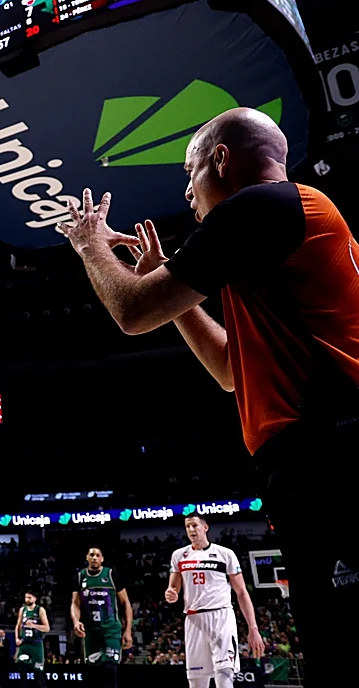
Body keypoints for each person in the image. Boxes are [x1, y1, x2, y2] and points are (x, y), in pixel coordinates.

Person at [57, 107, 359, 685]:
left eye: (190, 174)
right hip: (312, 458)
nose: (189, 196)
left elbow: (132, 309)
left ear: (222, 160)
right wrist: (178, 294)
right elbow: (228, 370)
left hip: (330, 452)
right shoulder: (275, 241)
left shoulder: (261, 206)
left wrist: (91, 244)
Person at [166, 514, 264, 688]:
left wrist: (253, 628)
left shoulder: (225, 554)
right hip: (193, 619)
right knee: (196, 680)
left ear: (205, 527)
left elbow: (241, 592)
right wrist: (171, 593)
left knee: (224, 672)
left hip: (221, 616)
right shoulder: (179, 555)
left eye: (194, 525)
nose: (191, 530)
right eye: (187, 526)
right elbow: (173, 588)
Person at [71, 547, 131, 687]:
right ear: (87, 558)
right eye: (91, 555)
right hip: (91, 631)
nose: (94, 557)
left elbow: (125, 603)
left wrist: (128, 630)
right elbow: (75, 603)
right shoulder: (80, 577)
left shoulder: (111, 575)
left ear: (102, 559)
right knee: (94, 673)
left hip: (111, 630)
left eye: (97, 555)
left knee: (110, 668)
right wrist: (76, 621)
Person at [14, 591, 49, 673]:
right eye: (26, 597)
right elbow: (18, 626)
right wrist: (17, 638)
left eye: (29, 598)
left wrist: (34, 626)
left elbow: (47, 628)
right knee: (20, 668)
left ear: (35, 598)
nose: (27, 600)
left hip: (36, 643)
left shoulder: (40, 610)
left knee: (38, 671)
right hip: (25, 643)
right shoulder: (22, 610)